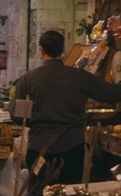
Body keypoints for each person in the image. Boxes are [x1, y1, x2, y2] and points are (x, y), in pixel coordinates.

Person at [12, 30, 121, 184]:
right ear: (63, 49)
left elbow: (17, 116)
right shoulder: (80, 77)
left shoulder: (27, 80)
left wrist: (37, 121)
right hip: (72, 150)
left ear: (41, 49)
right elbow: (113, 94)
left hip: (38, 149)